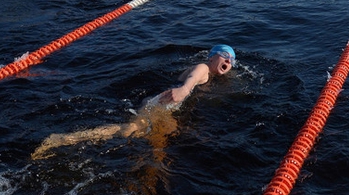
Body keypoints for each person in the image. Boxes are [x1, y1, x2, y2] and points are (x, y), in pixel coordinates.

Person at [31, 45, 236, 156]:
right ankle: (62, 139)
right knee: (130, 129)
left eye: (232, 60)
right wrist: (184, 89)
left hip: (169, 109)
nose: (229, 60)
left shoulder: (212, 76)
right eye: (225, 55)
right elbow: (192, 78)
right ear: (211, 57)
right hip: (163, 102)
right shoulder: (203, 67)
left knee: (159, 146)